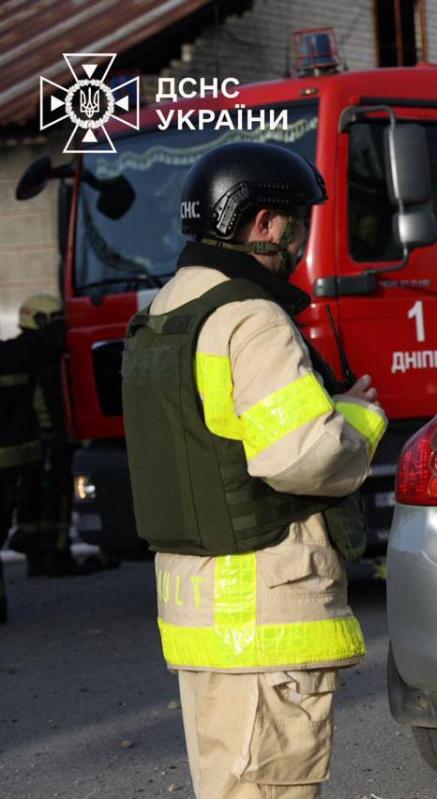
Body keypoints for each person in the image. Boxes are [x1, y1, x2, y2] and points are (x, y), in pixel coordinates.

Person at [122, 142, 387, 798]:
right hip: (265, 614)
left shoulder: (164, 312)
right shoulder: (251, 317)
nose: (300, 241)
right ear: (265, 222)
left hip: (200, 615)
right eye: (298, 223)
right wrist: (360, 419)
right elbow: (302, 455)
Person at [0, 295, 71, 623]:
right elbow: (49, 344)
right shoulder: (26, 354)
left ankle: (33, 545)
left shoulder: (13, 354)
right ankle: (44, 548)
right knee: (45, 496)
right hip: (25, 452)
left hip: (21, 454)